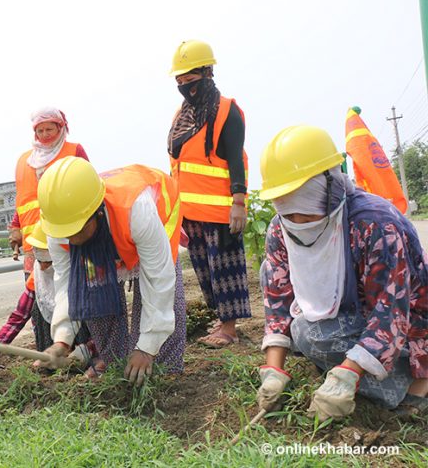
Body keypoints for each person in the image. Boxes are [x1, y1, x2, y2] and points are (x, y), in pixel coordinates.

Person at [256, 125, 428, 420]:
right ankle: (357, 364)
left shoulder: (374, 225)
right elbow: (277, 298)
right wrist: (273, 369)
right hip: (350, 314)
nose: (299, 223)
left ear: (332, 188)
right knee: (296, 321)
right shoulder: (280, 229)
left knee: (312, 336)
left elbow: (391, 313)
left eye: (307, 213)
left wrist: (348, 373)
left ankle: (414, 384)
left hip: (405, 322)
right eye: (289, 214)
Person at [37, 158, 187, 386]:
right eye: (66, 233)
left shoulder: (138, 209)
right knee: (93, 291)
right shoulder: (58, 223)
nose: (72, 239)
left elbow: (159, 280)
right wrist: (62, 339)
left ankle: (165, 373)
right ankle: (113, 363)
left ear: (96, 212)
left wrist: (146, 348)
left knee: (165, 300)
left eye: (77, 229)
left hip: (159, 221)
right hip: (108, 236)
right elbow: (67, 285)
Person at [167, 40, 251, 348]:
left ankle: (229, 328)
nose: (185, 87)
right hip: (190, 211)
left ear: (207, 72)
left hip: (220, 208)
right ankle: (220, 320)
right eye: (180, 82)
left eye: (190, 80)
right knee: (205, 271)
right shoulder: (183, 114)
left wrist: (238, 202)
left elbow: (235, 159)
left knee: (225, 269)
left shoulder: (227, 110)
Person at [0, 222, 94, 361]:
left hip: (84, 339)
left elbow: (103, 320)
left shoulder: (83, 274)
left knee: (76, 306)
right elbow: (19, 316)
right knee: (37, 306)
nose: (43, 268)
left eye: (49, 262)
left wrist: (90, 347)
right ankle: (49, 355)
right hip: (54, 344)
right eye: (40, 260)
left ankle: (83, 353)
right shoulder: (37, 278)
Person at [8, 107, 89, 281]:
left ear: (60, 128)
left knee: (71, 290)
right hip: (34, 243)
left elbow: (90, 187)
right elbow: (23, 198)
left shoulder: (74, 151)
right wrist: (15, 227)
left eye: (49, 129)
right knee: (36, 294)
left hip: (68, 237)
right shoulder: (25, 160)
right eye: (40, 130)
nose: (44, 134)